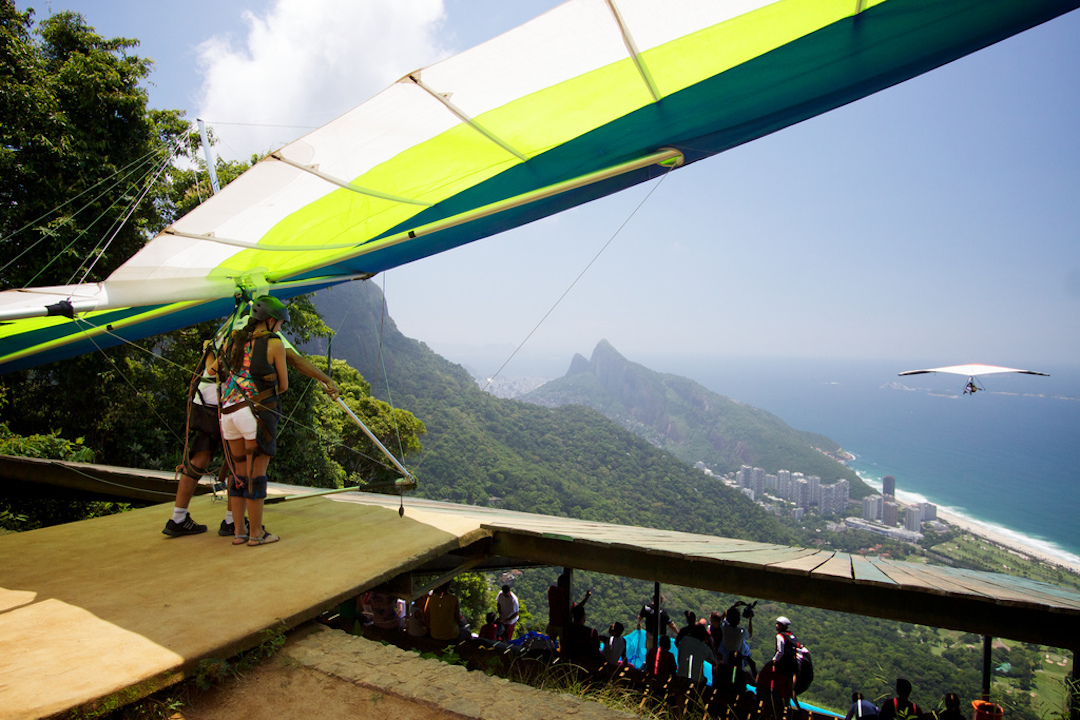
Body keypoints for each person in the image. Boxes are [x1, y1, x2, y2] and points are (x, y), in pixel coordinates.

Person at [218, 295, 290, 546]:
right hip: (254, 415)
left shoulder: (232, 340)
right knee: (256, 475)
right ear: (270, 321)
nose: (280, 328)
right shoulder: (274, 343)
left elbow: (218, 369)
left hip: (228, 413)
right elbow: (283, 385)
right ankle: (256, 533)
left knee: (238, 474)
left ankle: (239, 532)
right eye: (280, 323)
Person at [162, 343, 221, 537]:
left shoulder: (221, 337)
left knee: (201, 458)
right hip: (217, 404)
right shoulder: (232, 338)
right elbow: (212, 370)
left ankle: (178, 517)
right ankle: (232, 520)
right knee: (237, 458)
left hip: (206, 402)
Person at [545, 572, 591, 640]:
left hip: (552, 623)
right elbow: (575, 609)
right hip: (562, 625)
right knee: (564, 644)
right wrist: (586, 598)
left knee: (551, 644)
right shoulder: (565, 597)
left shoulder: (552, 591)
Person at [720, 606, 756, 675]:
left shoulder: (724, 628)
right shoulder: (740, 632)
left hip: (725, 661)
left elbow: (722, 618)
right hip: (738, 662)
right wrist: (750, 619)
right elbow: (750, 634)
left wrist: (734, 606)